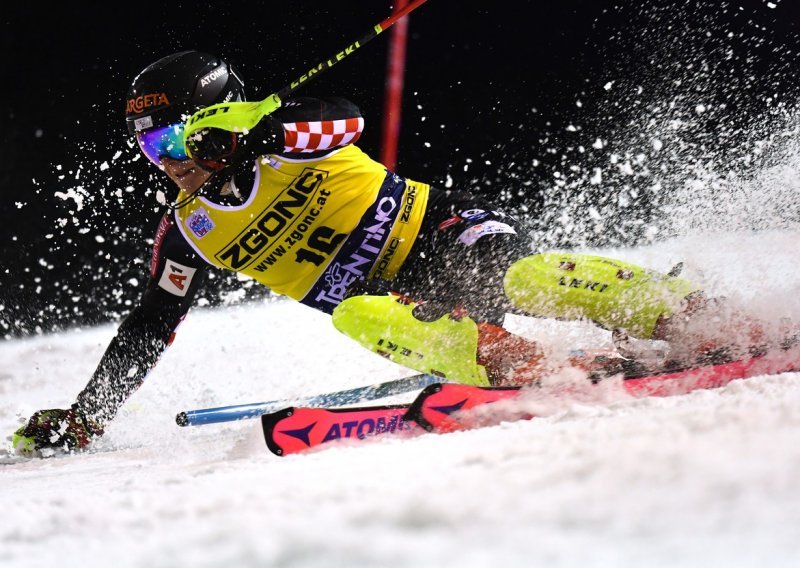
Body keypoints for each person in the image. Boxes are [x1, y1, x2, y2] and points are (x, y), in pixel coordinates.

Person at [11, 50, 773, 455]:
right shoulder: (190, 227)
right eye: (150, 148)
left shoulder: (287, 132)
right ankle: (517, 365)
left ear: (216, 120)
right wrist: (87, 417)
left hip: (447, 240)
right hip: (407, 305)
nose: (167, 160)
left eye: (174, 138)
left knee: (533, 273)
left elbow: (337, 120)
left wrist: (255, 134)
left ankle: (697, 316)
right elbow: (149, 325)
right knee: (359, 314)